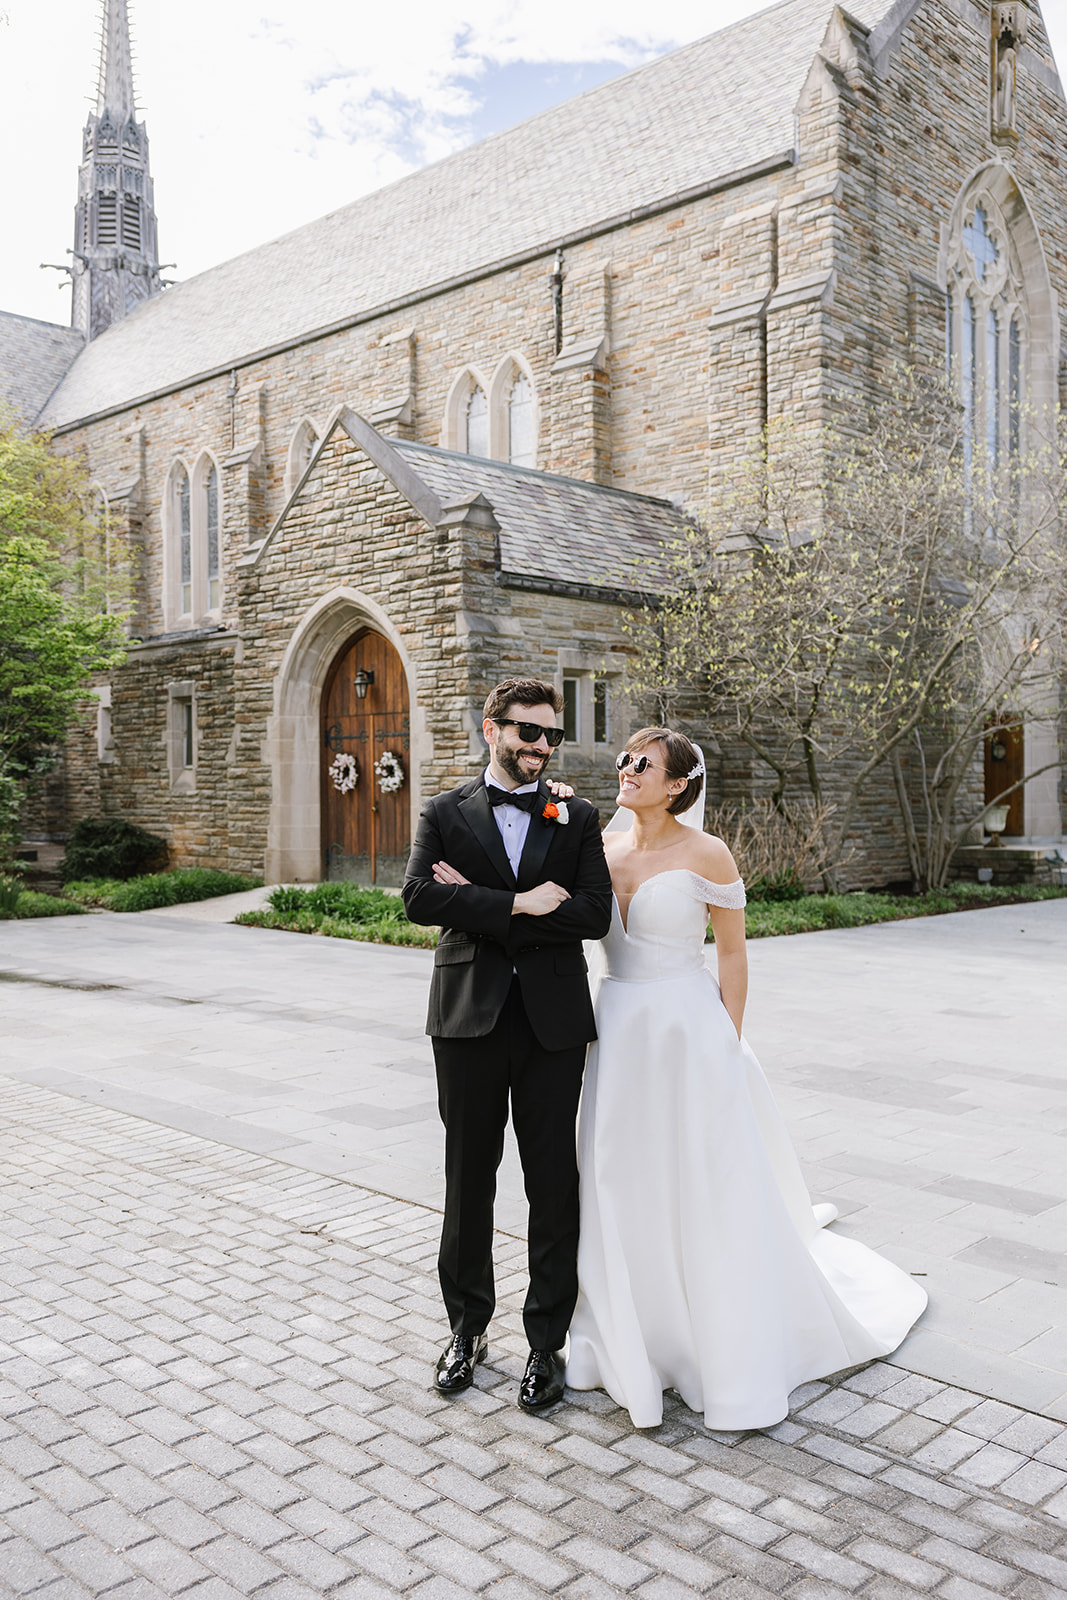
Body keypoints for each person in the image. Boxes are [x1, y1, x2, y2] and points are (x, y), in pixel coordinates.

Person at [565, 726, 927, 1431]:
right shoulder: (597, 846)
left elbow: (732, 957)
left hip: (688, 1032)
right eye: (624, 759)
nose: (626, 769)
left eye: (643, 763)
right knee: (615, 1175)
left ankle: (717, 1342)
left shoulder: (708, 852)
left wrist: (724, 1044)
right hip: (615, 1029)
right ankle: (632, 1330)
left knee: (699, 1179)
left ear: (676, 785)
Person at [402, 678, 612, 1411]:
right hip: (466, 1021)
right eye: (528, 732)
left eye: (551, 736)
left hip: (552, 1024)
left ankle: (545, 1345)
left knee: (553, 1185)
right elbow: (418, 899)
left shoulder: (576, 814)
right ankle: (465, 1331)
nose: (541, 747)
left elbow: (589, 914)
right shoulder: (442, 811)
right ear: (490, 729)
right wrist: (520, 902)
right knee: (468, 1180)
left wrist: (478, 907)